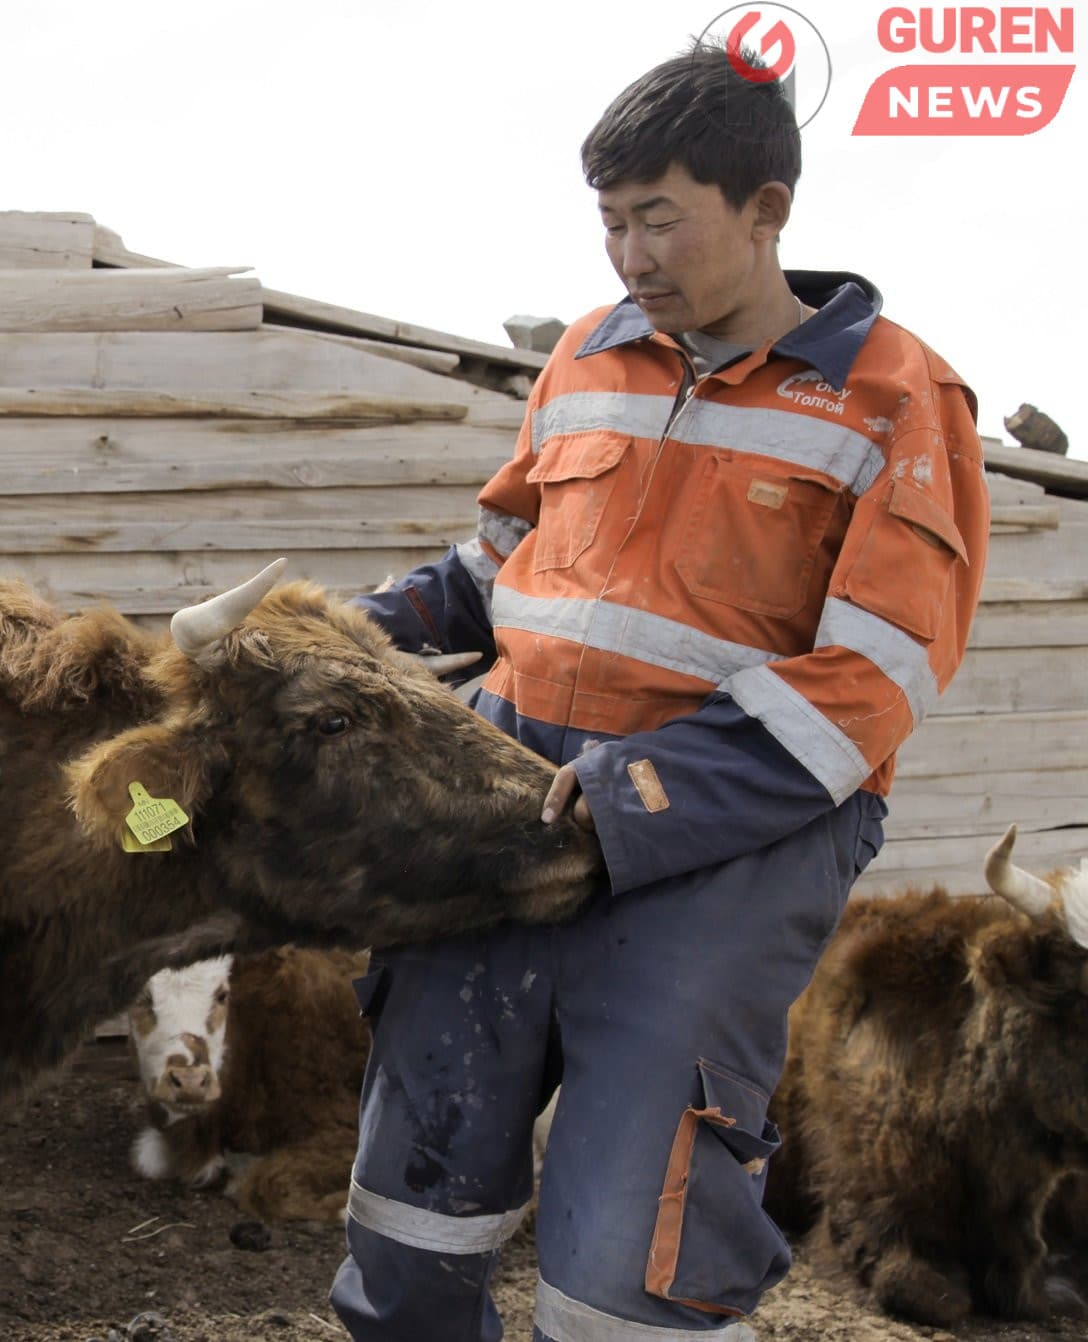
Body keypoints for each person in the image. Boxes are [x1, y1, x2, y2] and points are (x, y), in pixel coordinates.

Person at [333, 42, 989, 1342]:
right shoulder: (585, 355)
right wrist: (351, 633)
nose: (630, 255)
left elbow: (875, 676)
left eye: (661, 219)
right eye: (612, 221)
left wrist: (644, 791)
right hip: (514, 798)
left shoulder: (896, 395)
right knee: (415, 1196)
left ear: (767, 211)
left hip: (727, 837)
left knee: (626, 1268)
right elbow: (508, 567)